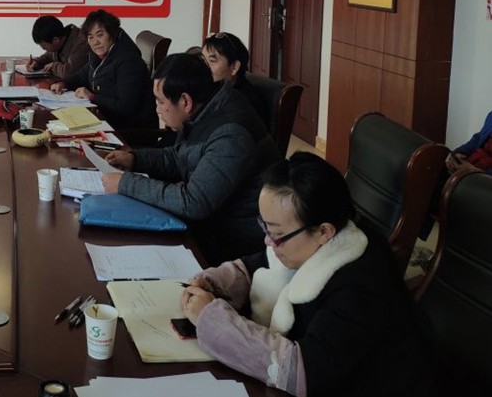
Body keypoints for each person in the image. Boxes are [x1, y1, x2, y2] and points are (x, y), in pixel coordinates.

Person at [180, 152, 436, 397]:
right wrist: (214, 283)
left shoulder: (360, 286)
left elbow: (305, 373)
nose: (268, 241)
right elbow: (259, 265)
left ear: (324, 232)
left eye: (277, 234)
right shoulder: (309, 237)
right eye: (265, 227)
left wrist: (212, 320)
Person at [102, 52, 279, 264]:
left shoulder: (230, 135)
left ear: (185, 101)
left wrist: (126, 184)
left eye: (160, 102)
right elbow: (180, 157)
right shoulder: (207, 108)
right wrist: (135, 159)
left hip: (230, 242)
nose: (157, 110)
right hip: (211, 222)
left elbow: (194, 202)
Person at [51, 9, 156, 130]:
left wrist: (92, 97)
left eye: (100, 35)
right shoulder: (100, 55)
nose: (95, 42)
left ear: (112, 33)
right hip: (107, 119)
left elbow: (125, 107)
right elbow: (82, 75)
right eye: (90, 37)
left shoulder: (129, 61)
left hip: (129, 130)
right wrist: (64, 83)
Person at [201, 31, 271, 130]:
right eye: (203, 60)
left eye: (212, 61)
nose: (203, 67)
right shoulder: (213, 90)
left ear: (234, 67)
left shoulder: (244, 103)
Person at [444, 108, 492, 175]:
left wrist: (477, 172)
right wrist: (460, 153)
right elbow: (478, 138)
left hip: (483, 174)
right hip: (471, 163)